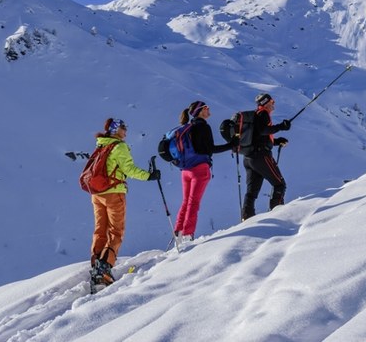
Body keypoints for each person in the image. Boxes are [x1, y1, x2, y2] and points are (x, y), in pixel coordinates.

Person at [89, 118, 160, 288]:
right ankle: (104, 270)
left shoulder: (101, 145)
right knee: (116, 231)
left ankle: (96, 267)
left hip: (97, 194)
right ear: (115, 129)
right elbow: (129, 169)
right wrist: (149, 176)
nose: (126, 130)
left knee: (100, 230)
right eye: (123, 127)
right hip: (114, 193)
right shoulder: (118, 146)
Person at [173, 100, 233, 246]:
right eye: (206, 108)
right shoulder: (203, 126)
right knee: (194, 203)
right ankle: (188, 235)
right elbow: (208, 149)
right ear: (200, 111)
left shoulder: (188, 127)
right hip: (199, 169)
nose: (209, 110)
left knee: (186, 201)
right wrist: (232, 145)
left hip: (185, 170)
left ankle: (178, 232)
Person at [241, 92, 291, 221]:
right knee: (280, 184)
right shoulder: (263, 114)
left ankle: (247, 218)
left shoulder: (255, 116)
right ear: (266, 103)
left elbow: (259, 137)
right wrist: (281, 127)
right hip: (262, 157)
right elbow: (263, 131)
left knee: (251, 192)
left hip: (249, 158)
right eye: (272, 101)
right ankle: (278, 213)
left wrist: (276, 141)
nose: (273, 104)